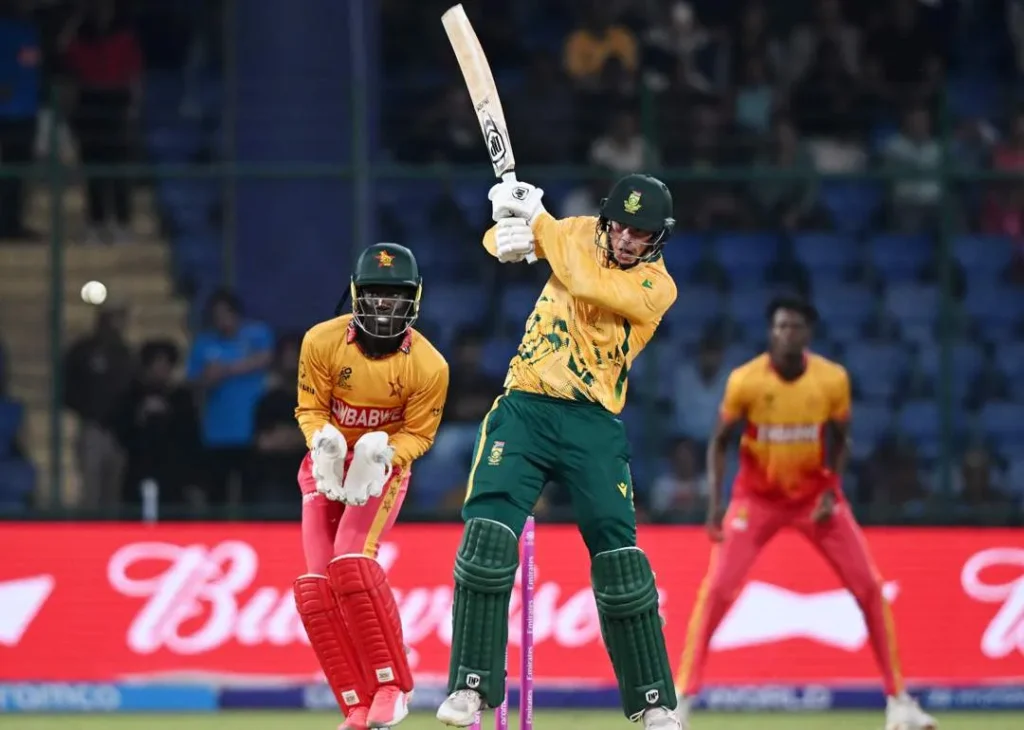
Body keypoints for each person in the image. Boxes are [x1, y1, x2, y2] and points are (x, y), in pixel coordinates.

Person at [436, 174, 682, 730]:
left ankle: (653, 702)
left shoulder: (657, 287)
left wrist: (541, 226)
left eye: (640, 233)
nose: (626, 239)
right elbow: (502, 244)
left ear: (657, 238)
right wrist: (507, 230)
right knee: (486, 538)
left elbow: (590, 284)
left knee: (619, 558)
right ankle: (470, 686)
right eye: (620, 226)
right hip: (524, 407)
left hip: (593, 422)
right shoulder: (576, 232)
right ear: (607, 220)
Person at [673, 295, 937, 730]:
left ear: (807, 333)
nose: (786, 334)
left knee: (869, 588)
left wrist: (833, 488)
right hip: (756, 500)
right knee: (717, 590)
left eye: (794, 327)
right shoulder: (746, 380)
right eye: (780, 327)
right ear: (770, 332)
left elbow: (842, 439)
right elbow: (719, 441)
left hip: (815, 500)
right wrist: (716, 504)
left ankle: (899, 703)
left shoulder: (831, 379)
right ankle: (681, 701)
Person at [293, 243, 449, 730]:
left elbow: (419, 435)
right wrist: (320, 441)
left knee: (351, 563)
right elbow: (309, 409)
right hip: (325, 464)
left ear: (414, 299)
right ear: (356, 294)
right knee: (319, 589)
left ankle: (392, 685)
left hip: (381, 470)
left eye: (395, 294)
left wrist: (384, 456)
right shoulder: (321, 341)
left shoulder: (429, 365)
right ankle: (357, 706)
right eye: (376, 293)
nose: (384, 304)